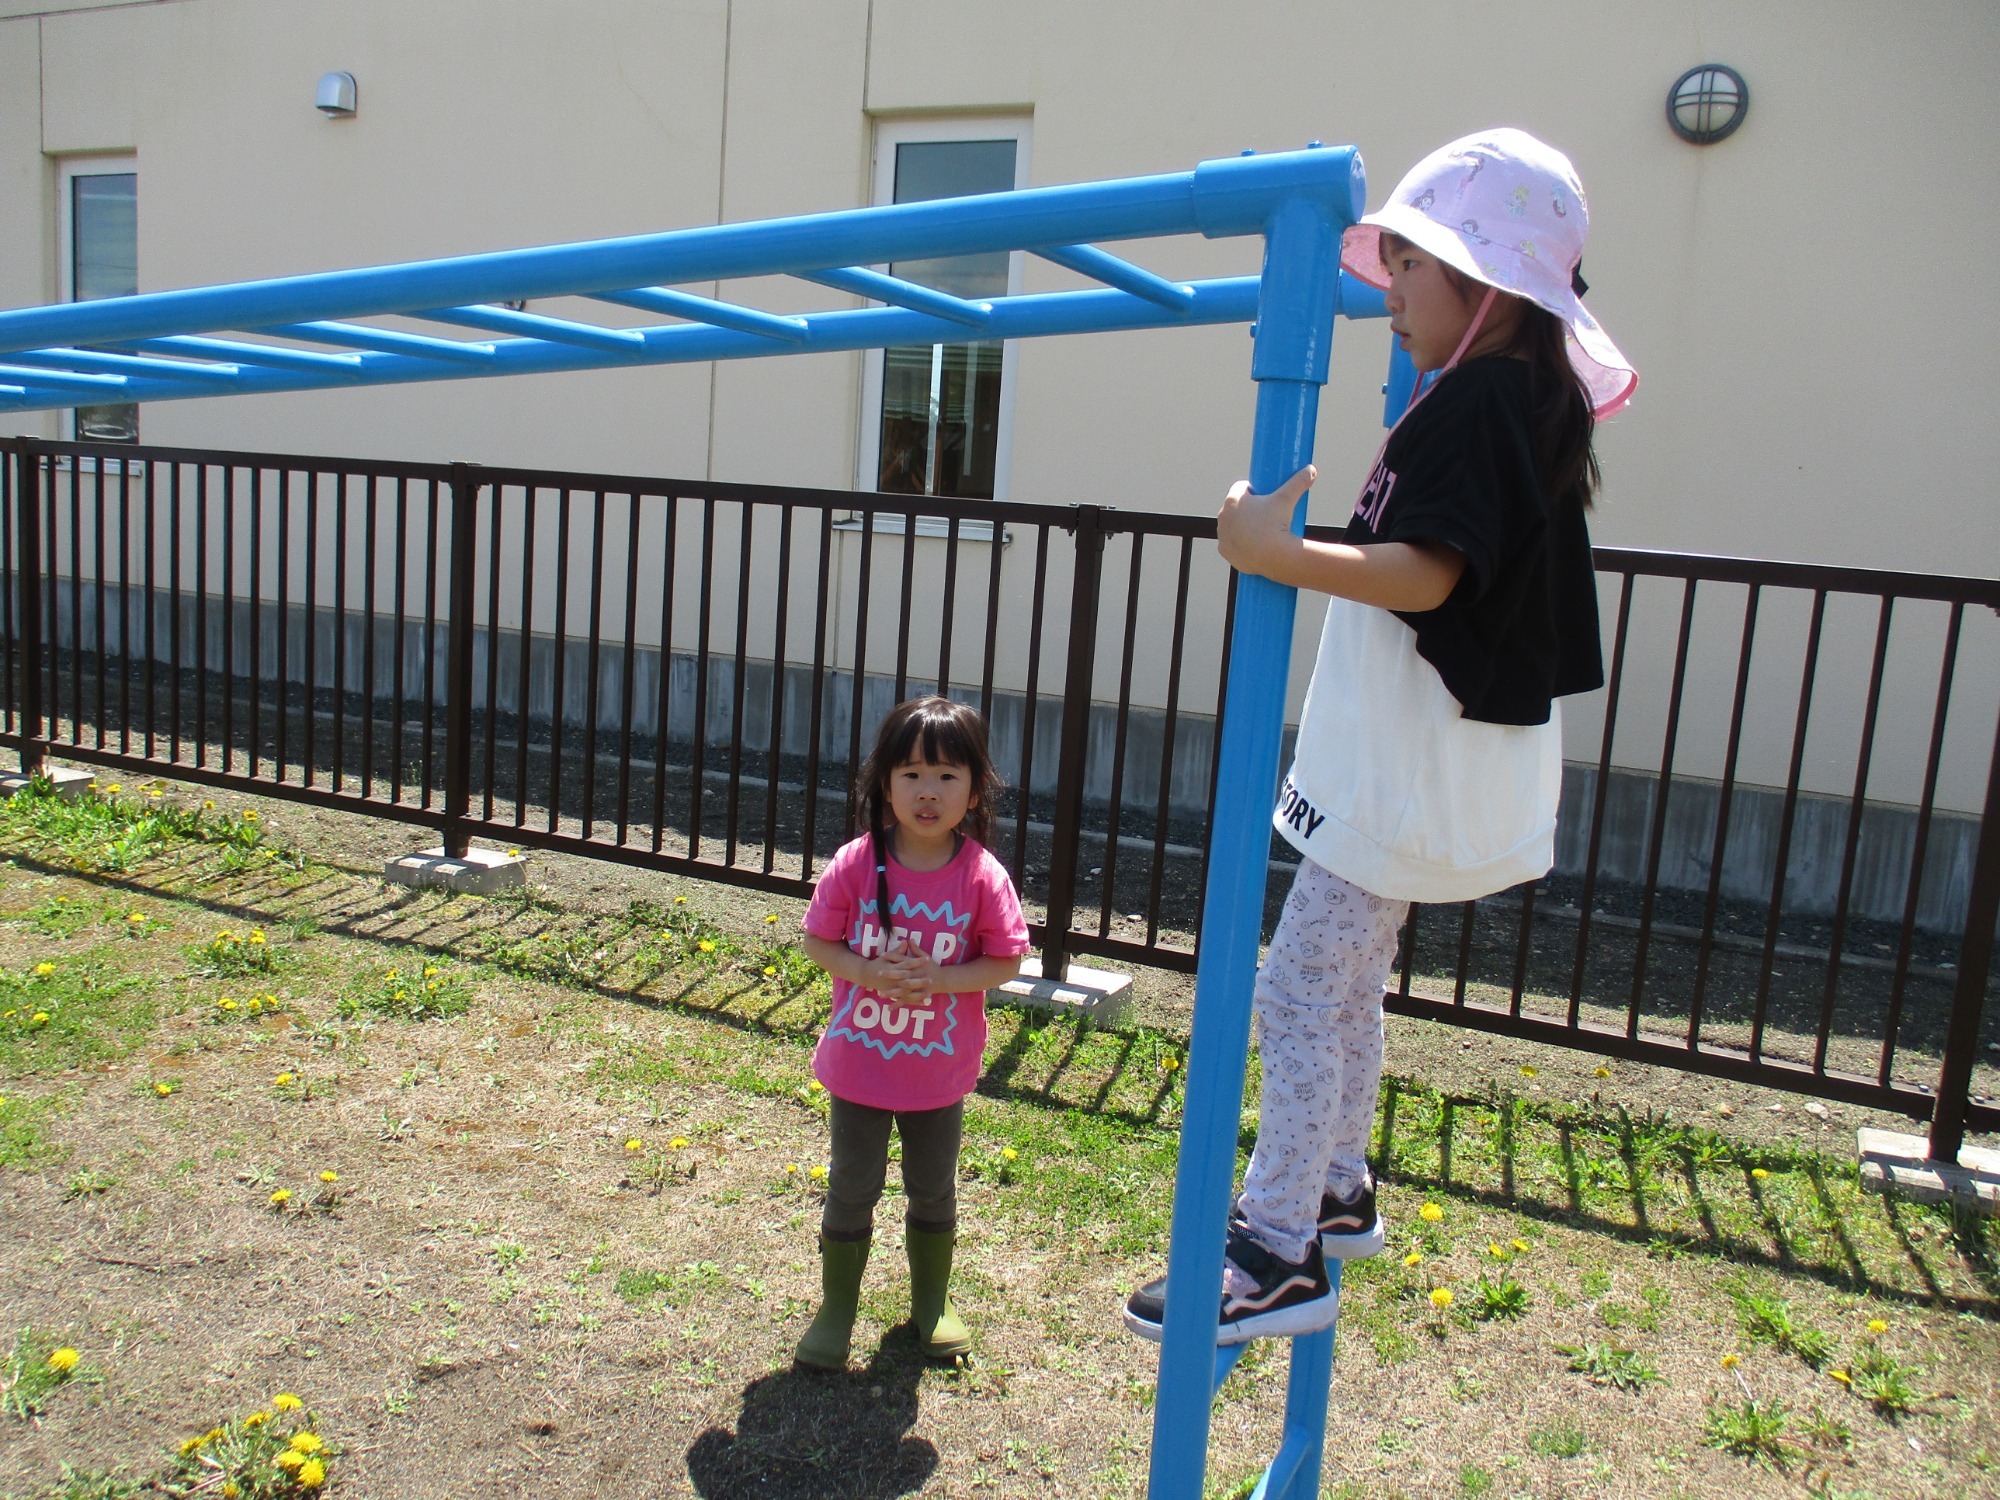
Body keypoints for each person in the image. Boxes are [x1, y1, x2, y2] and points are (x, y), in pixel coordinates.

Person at [1125, 128, 1636, 1344]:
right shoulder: (1525, 400)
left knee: (1299, 984)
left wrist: (1277, 555)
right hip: (1445, 761)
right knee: (1346, 980)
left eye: (1408, 264)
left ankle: (1271, 1242)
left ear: (1483, 281)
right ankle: (1335, 1185)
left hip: (1407, 767)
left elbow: (1429, 572)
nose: (1388, 289)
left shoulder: (1475, 402)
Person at [794, 695, 1030, 1368]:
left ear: (975, 788)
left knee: (934, 1186)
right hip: (860, 1067)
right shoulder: (855, 863)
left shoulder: (982, 876)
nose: (929, 792)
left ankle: (932, 1301)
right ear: (885, 784)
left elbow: (1007, 959)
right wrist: (867, 972)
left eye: (948, 776)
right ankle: (837, 1307)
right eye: (912, 775)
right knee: (852, 1184)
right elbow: (818, 942)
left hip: (938, 1073)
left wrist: (939, 980)